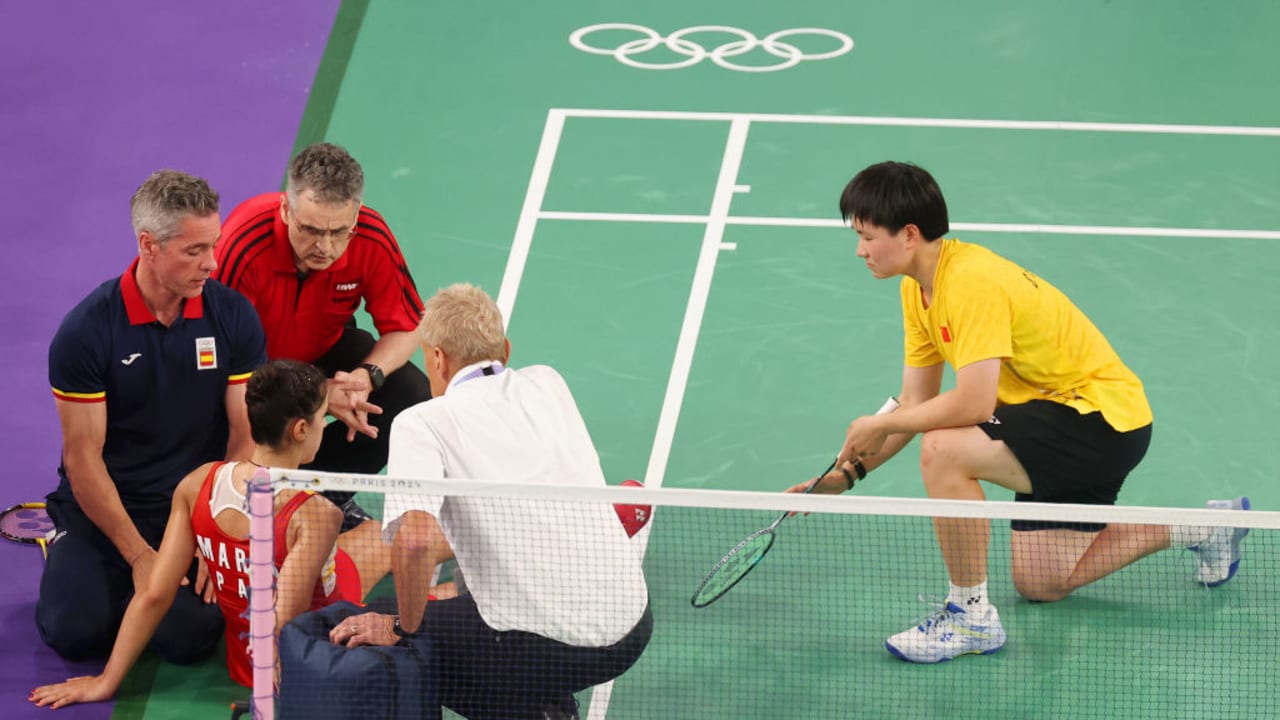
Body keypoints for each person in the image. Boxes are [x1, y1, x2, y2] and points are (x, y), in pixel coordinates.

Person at [787, 161, 1251, 664]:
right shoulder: (916, 288)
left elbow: (973, 404)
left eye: (866, 235)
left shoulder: (970, 282)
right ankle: (1207, 527)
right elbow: (916, 400)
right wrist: (846, 474)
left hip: (1099, 420)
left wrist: (878, 423)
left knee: (943, 450)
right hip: (1052, 421)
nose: (859, 250)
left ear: (910, 234)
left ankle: (969, 617)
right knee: (1043, 582)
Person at [327, 283, 652, 720]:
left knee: (379, 629)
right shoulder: (548, 383)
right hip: (633, 626)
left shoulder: (422, 422)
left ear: (437, 358)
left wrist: (400, 628)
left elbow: (417, 542)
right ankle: (543, 704)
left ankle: (530, 710)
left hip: (550, 650)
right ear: (506, 349)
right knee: (470, 600)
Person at [30, 359, 393, 708]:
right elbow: (286, 624)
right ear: (300, 429)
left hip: (243, 662)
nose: (321, 427)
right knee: (391, 535)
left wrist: (106, 682)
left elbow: (154, 592)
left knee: (370, 536)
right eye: (321, 418)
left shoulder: (198, 482)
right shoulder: (317, 513)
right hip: (312, 657)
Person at [37, 170, 267, 664]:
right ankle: (84, 565)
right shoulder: (87, 331)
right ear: (149, 245)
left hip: (185, 507)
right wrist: (141, 557)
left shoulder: (233, 317)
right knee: (72, 633)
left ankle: (127, 597)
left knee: (190, 637)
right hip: (104, 506)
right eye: (194, 251)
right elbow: (82, 459)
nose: (213, 263)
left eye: (214, 245)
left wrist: (215, 525)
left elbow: (244, 435)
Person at [214, 142, 432, 525]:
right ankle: (236, 502)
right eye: (310, 230)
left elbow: (408, 326)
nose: (324, 247)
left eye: (338, 232)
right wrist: (315, 394)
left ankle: (319, 498)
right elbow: (222, 361)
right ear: (285, 209)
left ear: (356, 216)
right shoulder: (244, 245)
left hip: (322, 345)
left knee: (408, 393)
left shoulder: (370, 237)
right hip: (248, 366)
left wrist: (364, 378)